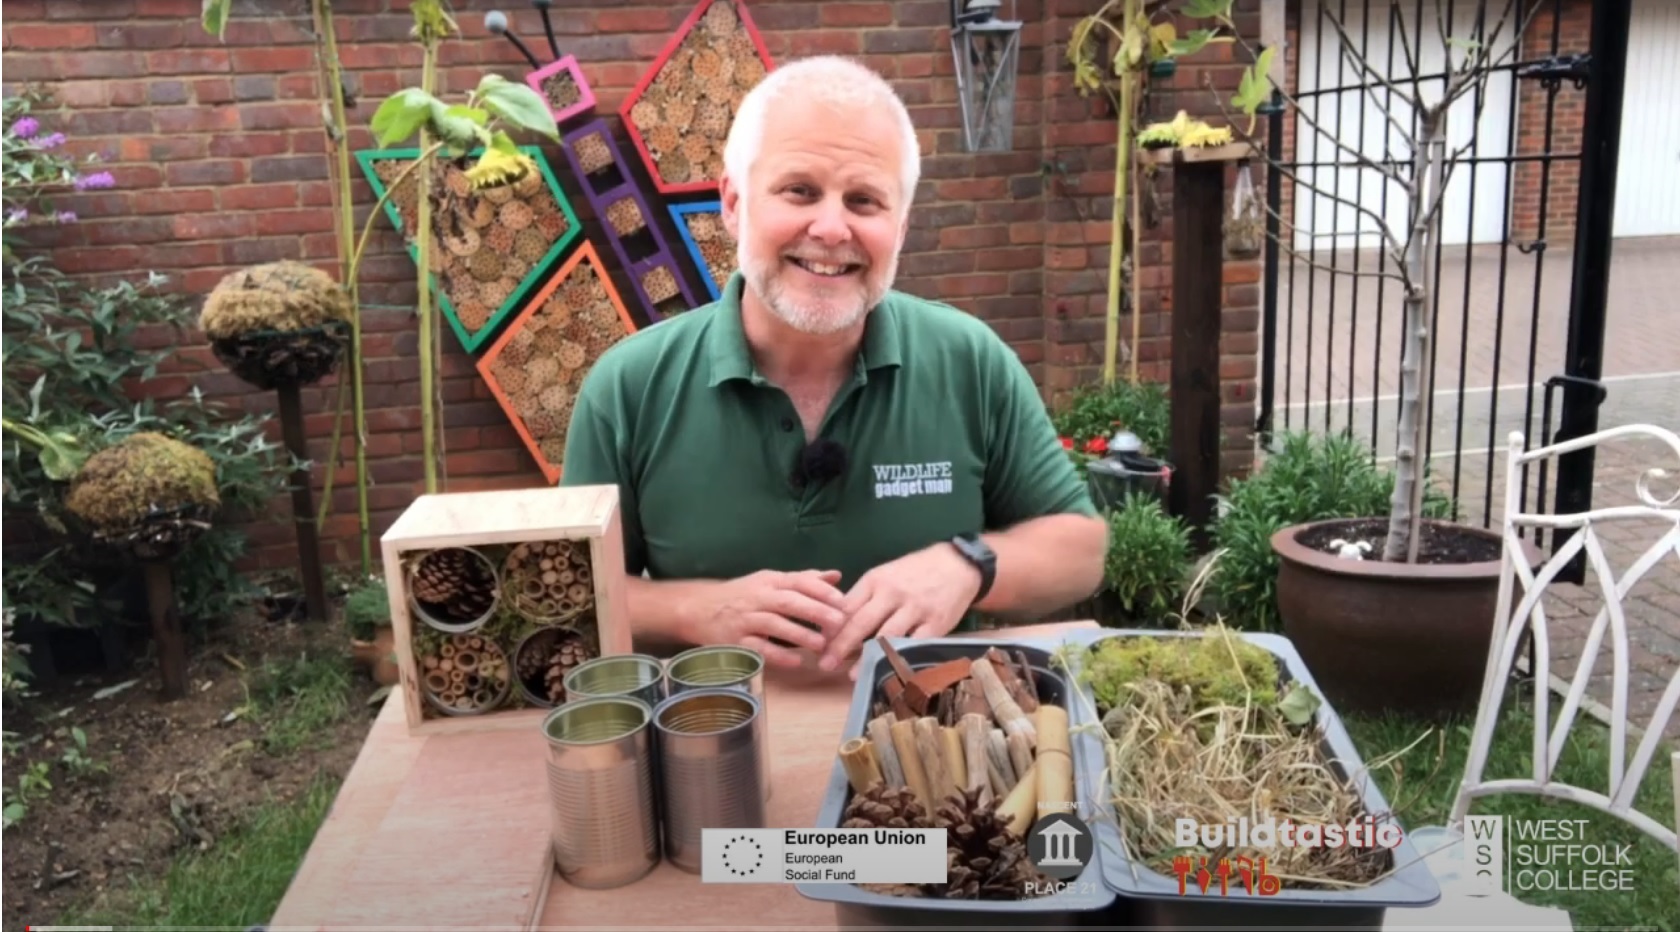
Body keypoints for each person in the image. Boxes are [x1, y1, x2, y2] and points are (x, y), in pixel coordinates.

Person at [560, 55, 1107, 676]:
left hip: (938, 748)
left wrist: (966, 565)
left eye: (864, 201)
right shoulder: (628, 388)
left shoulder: (970, 362)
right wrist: (695, 609)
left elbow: (1081, 550)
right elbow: (570, 597)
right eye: (800, 191)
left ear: (899, 228)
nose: (830, 227)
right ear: (734, 204)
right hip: (710, 750)